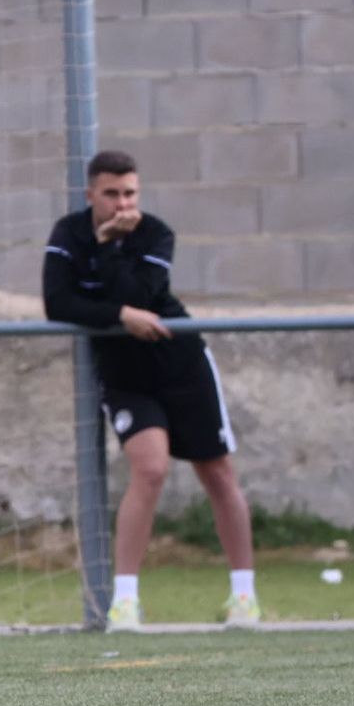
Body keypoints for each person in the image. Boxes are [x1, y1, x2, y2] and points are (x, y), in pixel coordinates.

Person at [43, 150, 258, 632]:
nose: (122, 204)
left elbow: (142, 295)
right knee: (151, 468)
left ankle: (244, 595)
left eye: (130, 193)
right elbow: (58, 302)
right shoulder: (68, 234)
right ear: (90, 195)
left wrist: (112, 253)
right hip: (124, 372)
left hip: (180, 361)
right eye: (111, 194)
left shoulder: (156, 232)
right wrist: (117, 315)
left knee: (218, 472)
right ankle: (125, 601)